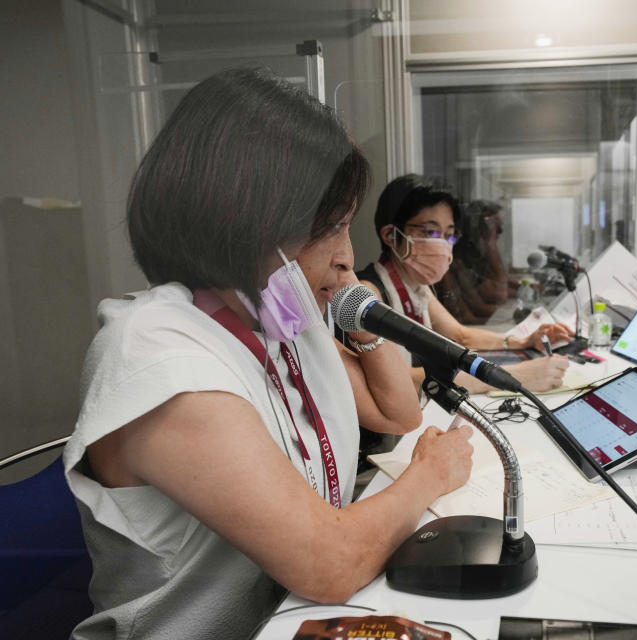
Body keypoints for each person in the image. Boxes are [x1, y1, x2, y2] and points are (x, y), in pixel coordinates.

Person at [63, 68, 474, 640]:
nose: (346, 256)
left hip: (294, 620)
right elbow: (329, 563)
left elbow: (398, 413)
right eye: (330, 227)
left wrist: (363, 309)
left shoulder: (276, 321)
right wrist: (430, 474)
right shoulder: (155, 354)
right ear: (242, 220)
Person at [356, 174, 572, 394]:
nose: (441, 245)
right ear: (391, 236)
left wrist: (523, 341)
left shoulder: (416, 286)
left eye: (448, 235)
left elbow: (460, 335)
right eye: (430, 232)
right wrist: (518, 376)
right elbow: (401, 380)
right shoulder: (368, 294)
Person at [435, 199, 512, 324]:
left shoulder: (465, 258)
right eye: (493, 224)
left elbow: (470, 311)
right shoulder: (448, 264)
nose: (500, 230)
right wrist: (490, 244)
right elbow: (497, 294)